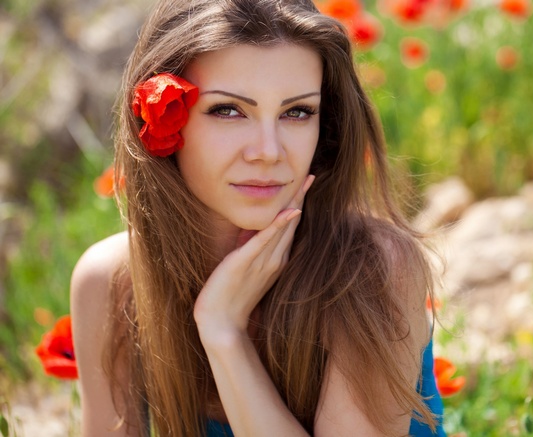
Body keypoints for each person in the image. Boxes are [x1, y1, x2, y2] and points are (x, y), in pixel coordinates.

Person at [70, 0, 447, 436]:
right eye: (228, 110)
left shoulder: (372, 268)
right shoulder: (112, 283)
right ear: (161, 121)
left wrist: (224, 333)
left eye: (297, 112)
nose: (268, 151)